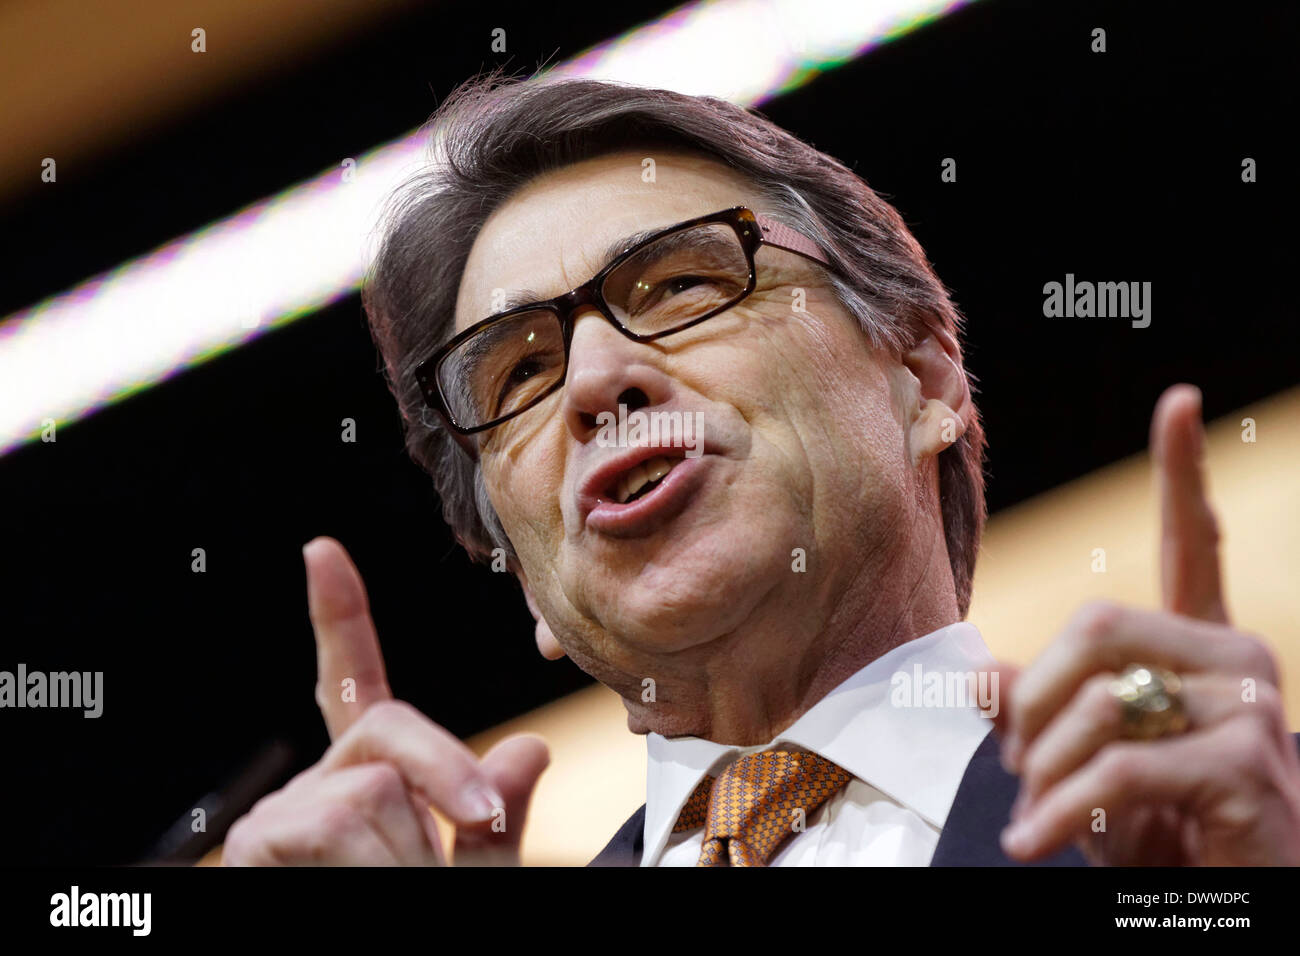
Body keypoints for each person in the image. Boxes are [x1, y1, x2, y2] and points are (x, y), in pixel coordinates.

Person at [221, 73, 1300, 867]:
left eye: (682, 283)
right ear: (522, 572)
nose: (596, 379)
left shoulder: (1231, 830)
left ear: (920, 378)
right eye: (518, 371)